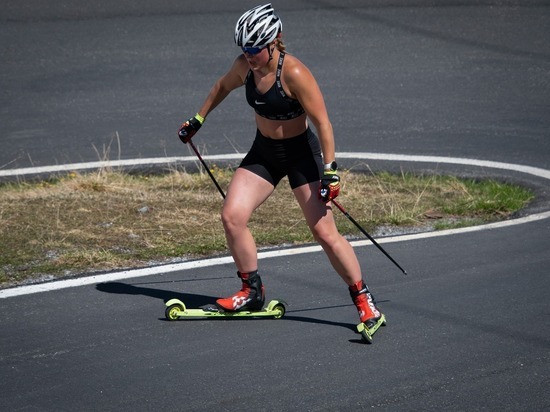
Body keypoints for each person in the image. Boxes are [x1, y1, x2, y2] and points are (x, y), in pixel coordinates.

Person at [178, 3, 384, 336]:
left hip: (301, 154)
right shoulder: (244, 67)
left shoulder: (295, 74)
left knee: (324, 233)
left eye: (255, 49)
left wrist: (331, 172)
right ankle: (252, 291)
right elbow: (220, 87)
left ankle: (364, 301)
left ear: (275, 41)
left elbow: (323, 123)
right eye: (244, 50)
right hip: (265, 152)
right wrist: (197, 120)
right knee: (232, 215)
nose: (249, 56)